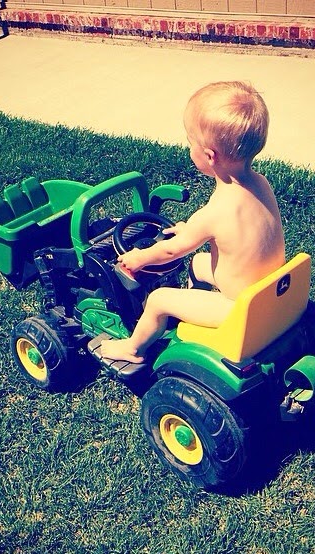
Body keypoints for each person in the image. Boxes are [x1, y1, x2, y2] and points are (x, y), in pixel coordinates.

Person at [100, 80, 286, 363]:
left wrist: (139, 258)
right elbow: (233, 232)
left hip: (237, 307)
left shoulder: (215, 212)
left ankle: (133, 349)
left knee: (159, 299)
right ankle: (191, 312)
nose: (189, 148)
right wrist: (192, 231)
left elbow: (171, 250)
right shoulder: (261, 183)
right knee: (198, 263)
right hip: (268, 291)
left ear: (209, 156)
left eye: (190, 142)